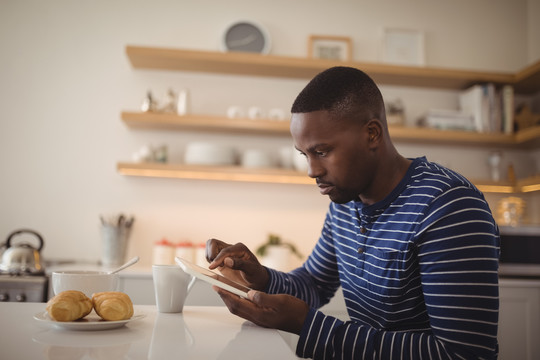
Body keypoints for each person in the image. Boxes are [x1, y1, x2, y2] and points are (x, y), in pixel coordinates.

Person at [206, 66, 499, 359]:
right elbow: (314, 283)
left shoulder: (448, 206)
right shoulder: (345, 203)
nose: (312, 171)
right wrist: (260, 278)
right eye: (304, 154)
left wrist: (308, 325)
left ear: (372, 134)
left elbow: (463, 354)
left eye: (322, 151)